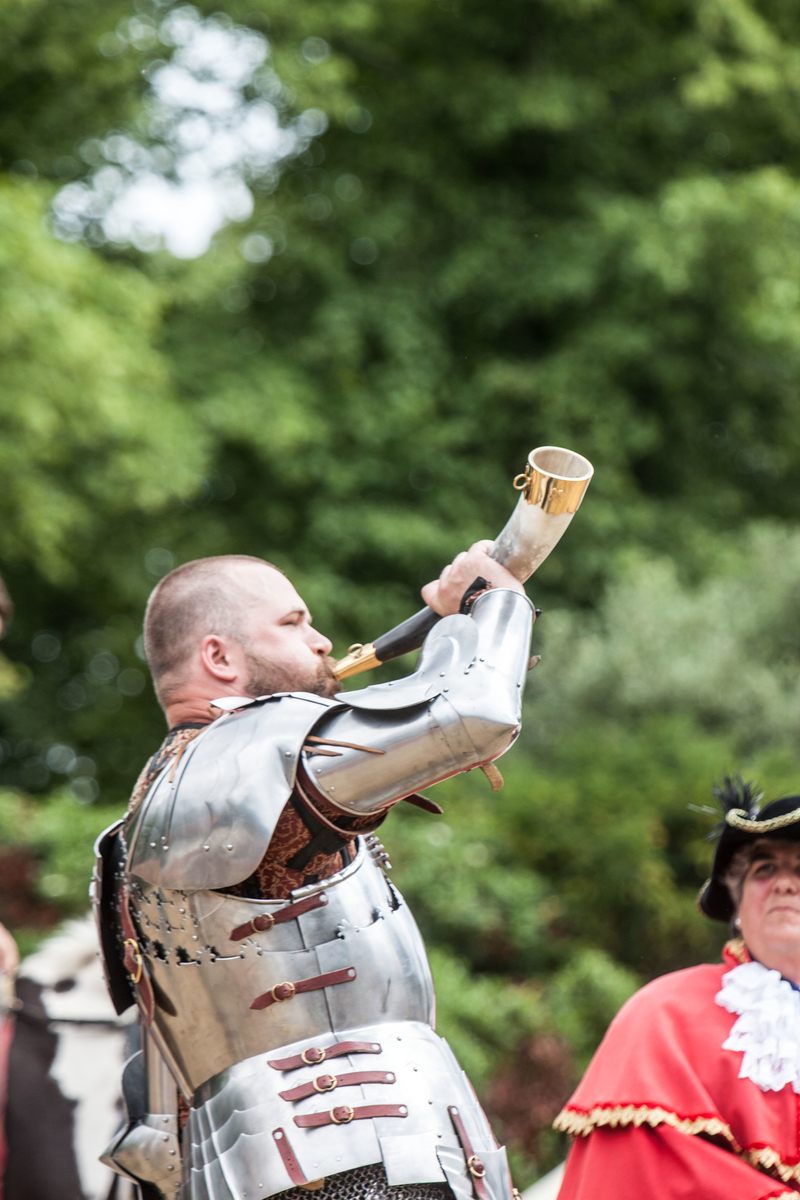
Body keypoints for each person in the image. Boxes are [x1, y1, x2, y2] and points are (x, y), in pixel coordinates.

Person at [95, 545, 534, 1200]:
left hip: (256, 1164)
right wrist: (498, 600)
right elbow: (476, 717)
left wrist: (455, 629)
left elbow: (425, 706)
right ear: (219, 658)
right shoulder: (249, 752)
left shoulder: (154, 802)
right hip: (355, 1141)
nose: (323, 639)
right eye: (293, 623)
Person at [554, 777, 800, 1199]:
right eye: (764, 869)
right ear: (737, 905)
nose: (783, 883)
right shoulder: (666, 1012)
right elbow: (639, 1171)